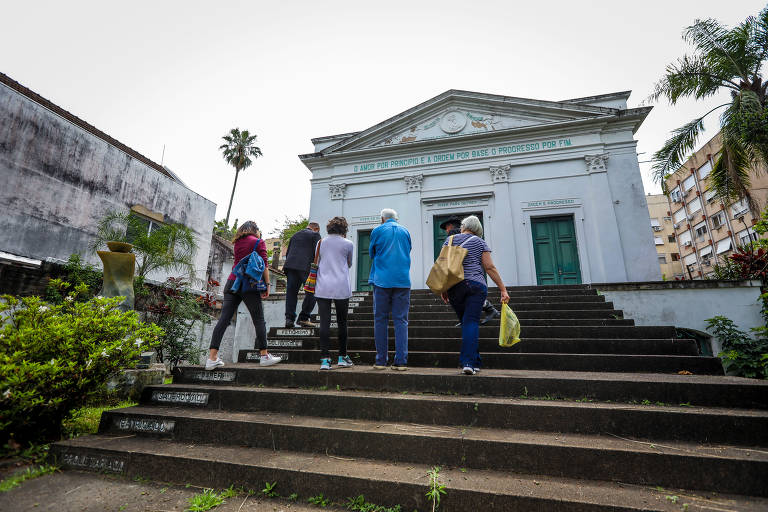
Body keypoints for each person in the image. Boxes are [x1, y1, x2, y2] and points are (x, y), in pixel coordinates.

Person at [204, 221, 282, 370]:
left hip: (232, 283)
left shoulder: (237, 243)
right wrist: (267, 285)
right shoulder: (259, 242)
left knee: (223, 320)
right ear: (255, 230)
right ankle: (264, 356)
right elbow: (264, 265)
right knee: (258, 319)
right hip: (250, 285)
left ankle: (212, 358)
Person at [440, 215, 509, 375]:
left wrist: (443, 288)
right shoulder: (479, 242)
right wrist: (503, 289)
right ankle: (469, 362)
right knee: (471, 323)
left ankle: (474, 361)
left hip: (454, 287)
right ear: (478, 229)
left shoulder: (449, 241)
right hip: (476, 285)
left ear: (463, 226)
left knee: (467, 323)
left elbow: (442, 266)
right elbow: (489, 267)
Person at [368, 208, 411, 370]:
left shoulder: (377, 230)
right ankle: (401, 361)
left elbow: (372, 253)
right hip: (403, 280)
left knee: (380, 320)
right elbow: (408, 250)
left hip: (382, 280)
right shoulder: (405, 231)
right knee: (401, 320)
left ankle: (381, 360)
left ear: (382, 218)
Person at [439, 216, 500, 325]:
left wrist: (444, 285)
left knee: (464, 293)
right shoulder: (472, 236)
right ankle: (486, 310)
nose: (446, 230)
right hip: (473, 278)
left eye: (446, 228)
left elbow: (446, 260)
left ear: (450, 226)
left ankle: (486, 310)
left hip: (462, 275)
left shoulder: (453, 235)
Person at [314, 217, 355, 370]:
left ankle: (325, 360)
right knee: (342, 322)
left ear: (329, 228)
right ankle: (342, 357)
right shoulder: (348, 244)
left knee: (324, 322)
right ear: (344, 229)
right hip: (341, 286)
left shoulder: (320, 243)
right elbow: (349, 263)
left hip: (322, 285)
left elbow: (317, 262)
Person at [283, 222, 322, 328]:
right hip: (306, 267)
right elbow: (318, 253)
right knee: (312, 292)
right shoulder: (316, 235)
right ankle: (304, 318)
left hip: (291, 267)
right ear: (316, 229)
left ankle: (289, 319)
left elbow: (288, 253)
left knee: (291, 293)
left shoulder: (295, 235)